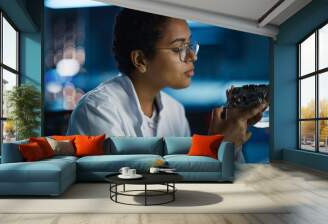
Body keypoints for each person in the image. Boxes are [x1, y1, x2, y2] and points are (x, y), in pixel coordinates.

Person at [67, 8, 268, 152]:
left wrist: (228, 142)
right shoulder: (98, 109)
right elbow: (129, 185)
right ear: (140, 60)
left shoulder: (175, 110)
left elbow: (183, 178)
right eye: (178, 48)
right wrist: (213, 147)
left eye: (190, 45)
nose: (192, 56)